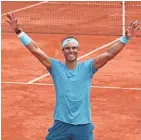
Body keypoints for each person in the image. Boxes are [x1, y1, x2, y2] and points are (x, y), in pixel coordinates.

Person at [6, 12, 140, 140]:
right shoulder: (55, 67)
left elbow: (109, 54)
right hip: (61, 124)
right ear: (63, 51)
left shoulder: (88, 68)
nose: (71, 50)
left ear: (78, 50)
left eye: (74, 48)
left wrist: (125, 38)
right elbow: (35, 50)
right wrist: (18, 31)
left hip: (83, 125)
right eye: (68, 48)